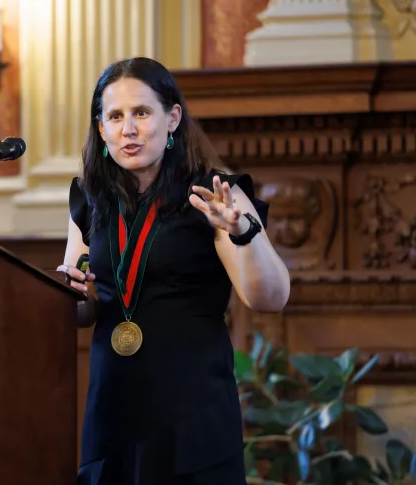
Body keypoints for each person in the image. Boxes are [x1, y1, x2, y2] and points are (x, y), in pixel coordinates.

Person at [57, 57, 290, 484]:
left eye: (142, 113)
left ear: (173, 119)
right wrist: (73, 296)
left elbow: (270, 298)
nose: (129, 129)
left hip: (192, 409)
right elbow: (82, 310)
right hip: (113, 406)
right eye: (115, 116)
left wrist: (242, 231)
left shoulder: (214, 194)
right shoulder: (89, 197)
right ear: (101, 128)